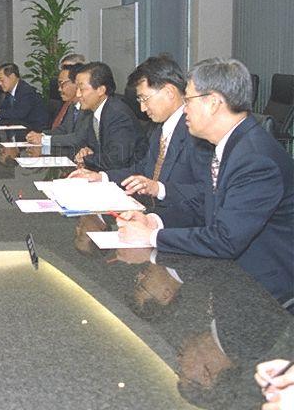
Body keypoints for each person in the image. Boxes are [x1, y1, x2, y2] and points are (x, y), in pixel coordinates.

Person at [117, 58, 294, 307]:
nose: (184, 109)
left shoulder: (255, 160)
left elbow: (225, 239)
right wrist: (154, 221)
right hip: (230, 279)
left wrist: (153, 236)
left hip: (264, 296)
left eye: (188, 100)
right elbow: (204, 204)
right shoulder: (231, 144)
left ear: (212, 103)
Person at [70, 55, 211, 206]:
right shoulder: (159, 128)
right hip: (150, 211)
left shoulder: (197, 132)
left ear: (169, 92)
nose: (143, 108)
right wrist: (102, 177)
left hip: (178, 220)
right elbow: (143, 168)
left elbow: (206, 191)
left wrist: (159, 189)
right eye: (140, 101)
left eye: (144, 99)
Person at [73, 61, 147, 170]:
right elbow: (93, 148)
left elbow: (116, 160)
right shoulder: (94, 112)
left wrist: (87, 158)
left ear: (101, 90)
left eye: (82, 89)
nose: (77, 94)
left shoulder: (118, 114)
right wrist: (86, 151)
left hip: (128, 178)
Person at [26, 61, 91, 151]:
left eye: (62, 84)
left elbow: (78, 139)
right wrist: (41, 135)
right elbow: (63, 130)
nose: (59, 89)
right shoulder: (72, 105)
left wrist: (44, 140)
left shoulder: (89, 107)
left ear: (77, 83)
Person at [0, 62, 50, 131]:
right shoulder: (9, 92)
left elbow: (20, 114)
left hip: (35, 130)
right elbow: (5, 110)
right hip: (20, 128)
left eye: (1, 80)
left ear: (12, 77)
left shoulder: (26, 91)